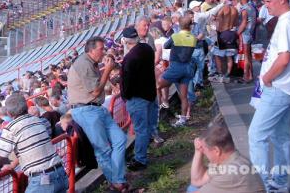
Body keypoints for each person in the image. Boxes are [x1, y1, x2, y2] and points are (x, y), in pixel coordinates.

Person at [248, 0, 290, 192]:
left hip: (280, 87)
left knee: (256, 136)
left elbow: (284, 58)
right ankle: (279, 183)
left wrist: (266, 77)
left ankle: (262, 185)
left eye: (269, 2)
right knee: (280, 138)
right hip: (288, 87)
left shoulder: (286, 23)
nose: (266, 6)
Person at [67, 36, 128, 192]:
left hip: (95, 108)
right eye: (101, 49)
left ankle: (117, 180)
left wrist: (106, 68)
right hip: (86, 109)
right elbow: (95, 91)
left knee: (120, 139)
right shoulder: (83, 64)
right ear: (91, 50)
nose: (104, 52)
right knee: (103, 150)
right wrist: (107, 70)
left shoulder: (90, 62)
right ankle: (117, 183)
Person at [0, 93, 68, 193]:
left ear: (9, 113)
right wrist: (13, 165)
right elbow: (30, 148)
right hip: (60, 172)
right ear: (26, 107)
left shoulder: (11, 129)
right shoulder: (38, 120)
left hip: (43, 179)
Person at [120, 26, 157, 171]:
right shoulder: (147, 48)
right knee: (145, 128)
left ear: (125, 40)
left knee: (140, 130)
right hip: (149, 94)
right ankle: (141, 154)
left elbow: (127, 82)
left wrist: (125, 96)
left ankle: (140, 159)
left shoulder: (130, 58)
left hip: (137, 98)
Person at [188, 122, 264, 192]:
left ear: (216, 150)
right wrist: (198, 151)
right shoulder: (232, 158)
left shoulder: (228, 173)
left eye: (204, 150)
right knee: (192, 188)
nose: (203, 153)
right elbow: (197, 181)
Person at [158, 15, 196, 127]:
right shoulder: (193, 38)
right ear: (190, 26)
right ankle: (183, 119)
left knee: (158, 85)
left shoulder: (175, 36)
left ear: (179, 25)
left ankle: (159, 106)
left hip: (175, 67)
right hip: (187, 68)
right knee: (183, 96)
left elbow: (165, 46)